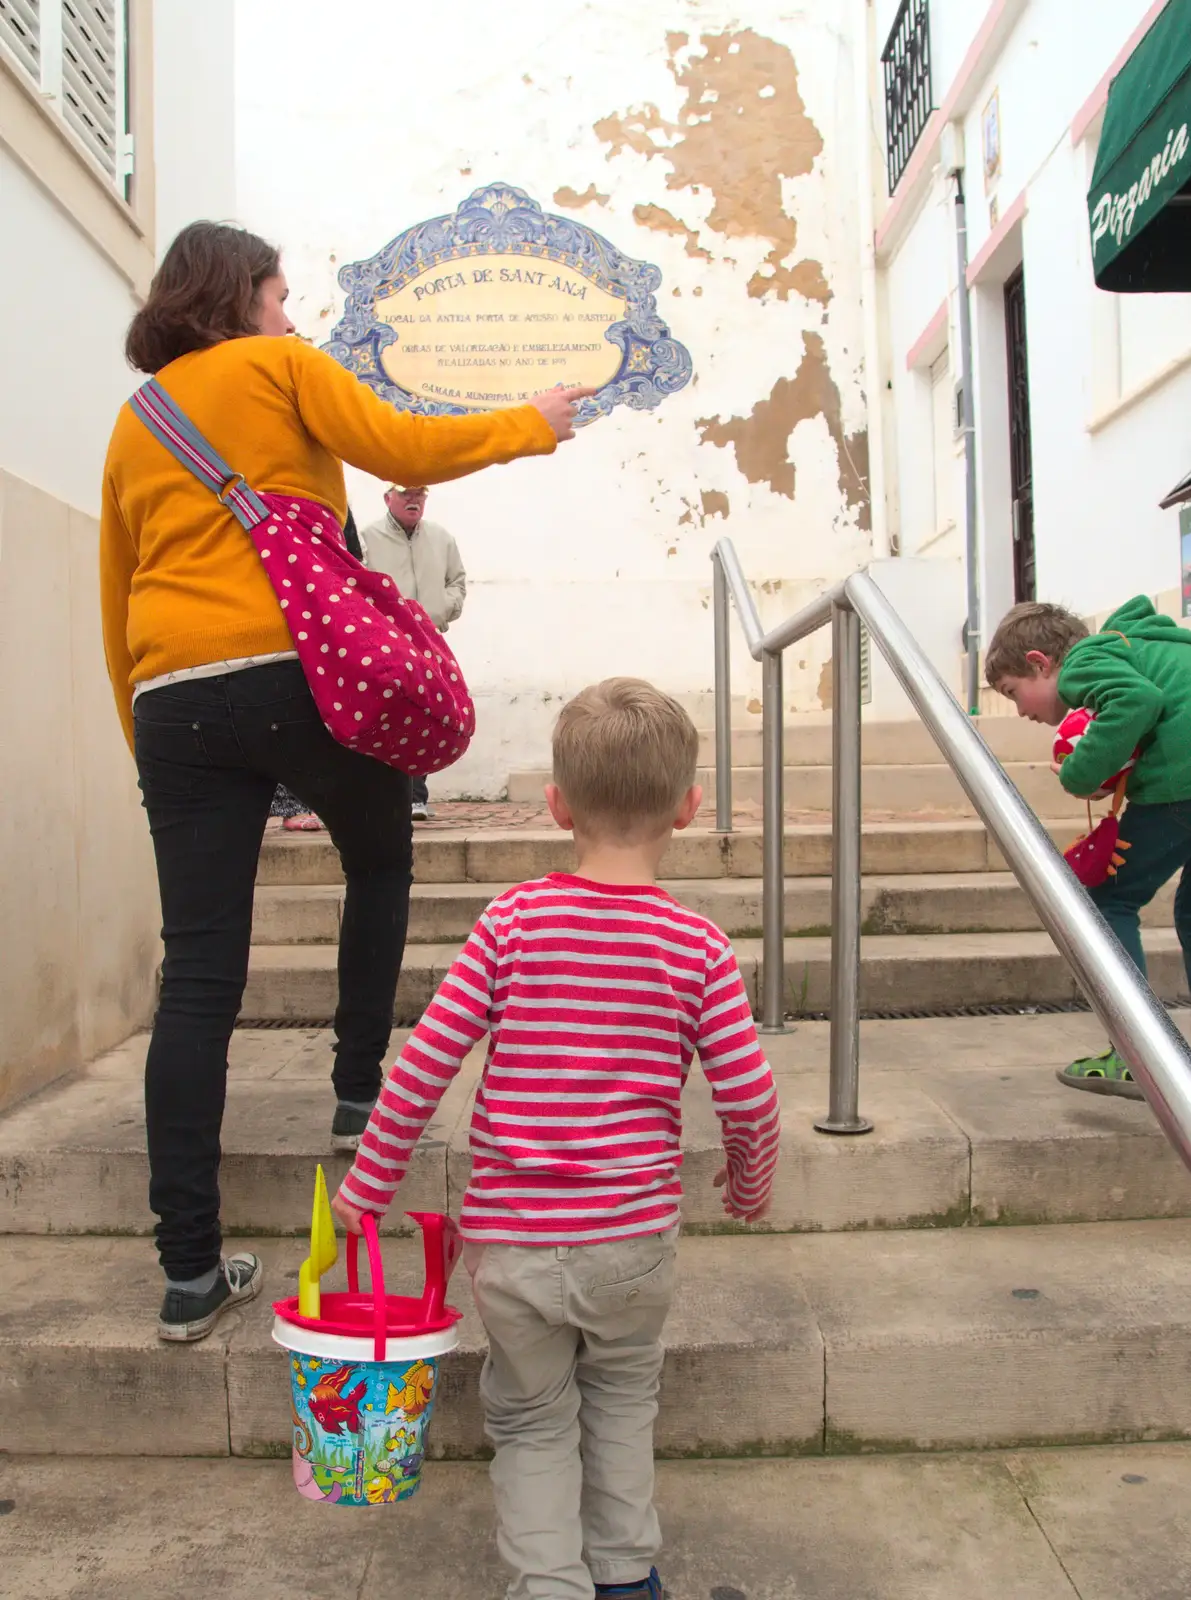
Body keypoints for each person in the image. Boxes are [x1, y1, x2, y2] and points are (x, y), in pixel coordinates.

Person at [100, 219, 596, 1343]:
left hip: (173, 698)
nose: (290, 311)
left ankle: (187, 1272)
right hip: (300, 667)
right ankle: (359, 1088)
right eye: (280, 292)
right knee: (378, 857)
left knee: (198, 977)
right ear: (241, 295)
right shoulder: (281, 365)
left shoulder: (136, 424)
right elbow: (403, 450)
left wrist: (151, 747)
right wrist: (534, 422)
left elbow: (113, 588)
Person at [333, 678, 781, 1600]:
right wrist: (747, 1187)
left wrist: (365, 1190)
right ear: (689, 810)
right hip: (630, 1241)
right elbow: (749, 1097)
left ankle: (549, 1585)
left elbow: (421, 1070)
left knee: (533, 1421)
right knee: (620, 1402)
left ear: (555, 806)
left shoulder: (511, 923)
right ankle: (623, 1579)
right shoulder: (697, 948)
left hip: (513, 1245)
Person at [987, 596, 1191, 1097]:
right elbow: (1158, 708)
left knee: (1107, 902)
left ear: (1040, 662)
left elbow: (1137, 702)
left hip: (1182, 787)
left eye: (1015, 693)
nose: (1021, 712)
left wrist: (1081, 775)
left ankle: (1138, 1056)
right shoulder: (1137, 646)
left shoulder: (1084, 664)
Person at [360, 485, 465, 821]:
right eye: (405, 494)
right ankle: (389, 794)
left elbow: (457, 582)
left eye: (420, 494)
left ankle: (417, 796)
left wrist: (441, 610)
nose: (413, 500)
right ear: (387, 498)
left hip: (430, 642)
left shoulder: (441, 537)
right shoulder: (366, 538)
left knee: (428, 713)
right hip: (387, 642)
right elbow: (357, 585)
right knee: (390, 714)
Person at [270, 510, 367, 832]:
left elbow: (348, 556)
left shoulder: (328, 502)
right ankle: (290, 806)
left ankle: (315, 802)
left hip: (318, 606)